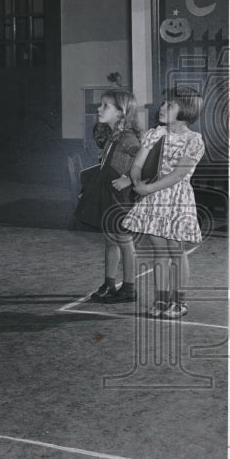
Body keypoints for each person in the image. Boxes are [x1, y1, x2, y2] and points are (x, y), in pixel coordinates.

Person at [122, 86, 205, 320]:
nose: (161, 108)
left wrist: (147, 188)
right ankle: (160, 298)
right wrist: (136, 178)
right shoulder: (153, 134)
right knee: (159, 250)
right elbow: (138, 163)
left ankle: (179, 301)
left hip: (176, 200)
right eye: (163, 103)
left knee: (176, 250)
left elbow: (178, 175)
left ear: (186, 110)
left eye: (169, 105)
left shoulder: (193, 141)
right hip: (154, 200)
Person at [88, 89, 142, 304]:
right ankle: (109, 284)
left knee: (124, 241)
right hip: (109, 193)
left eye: (105, 106)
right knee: (110, 240)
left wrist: (129, 178)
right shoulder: (112, 135)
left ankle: (129, 289)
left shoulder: (128, 138)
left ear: (122, 113)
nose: (99, 108)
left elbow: (145, 161)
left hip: (121, 197)